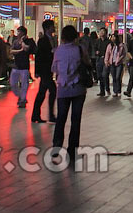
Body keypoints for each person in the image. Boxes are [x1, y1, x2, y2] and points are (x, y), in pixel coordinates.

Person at [52, 24, 91, 162]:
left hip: (62, 89)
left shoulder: (58, 51)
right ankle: (72, 151)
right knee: (76, 120)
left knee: (61, 119)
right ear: (75, 36)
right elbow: (87, 63)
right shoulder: (80, 49)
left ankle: (56, 147)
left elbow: (54, 69)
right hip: (78, 89)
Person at [32, 20, 58, 123]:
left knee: (42, 93)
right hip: (45, 70)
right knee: (52, 90)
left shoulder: (52, 39)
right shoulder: (42, 40)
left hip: (48, 70)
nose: (54, 28)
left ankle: (36, 115)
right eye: (52, 26)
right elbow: (39, 56)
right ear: (48, 28)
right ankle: (50, 115)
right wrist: (37, 71)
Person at [10, 26, 35, 108]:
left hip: (24, 66)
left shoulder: (29, 41)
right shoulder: (15, 41)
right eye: (17, 32)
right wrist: (19, 51)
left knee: (24, 84)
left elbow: (27, 49)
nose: (18, 34)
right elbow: (11, 51)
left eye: (19, 32)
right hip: (16, 65)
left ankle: (23, 100)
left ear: (23, 33)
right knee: (13, 83)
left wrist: (23, 41)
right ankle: (20, 96)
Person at [93, 27, 108, 96]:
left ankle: (106, 88)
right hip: (99, 59)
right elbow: (94, 48)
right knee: (99, 75)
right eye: (100, 31)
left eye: (103, 31)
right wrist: (96, 52)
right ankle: (102, 90)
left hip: (106, 60)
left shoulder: (108, 42)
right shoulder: (97, 41)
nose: (101, 33)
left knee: (104, 75)